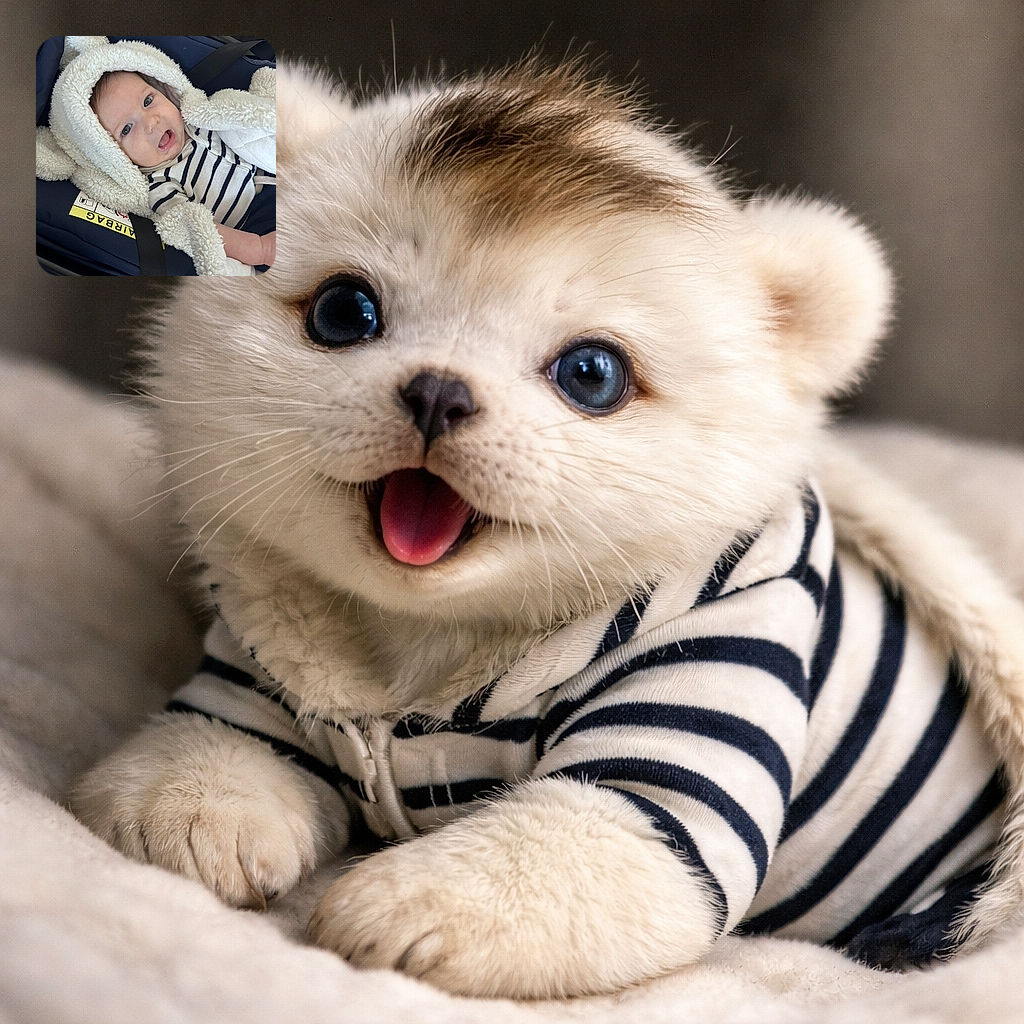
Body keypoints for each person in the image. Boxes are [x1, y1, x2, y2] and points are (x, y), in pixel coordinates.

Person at [90, 70, 275, 268]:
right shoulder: (162, 185)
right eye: (126, 129)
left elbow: (238, 120)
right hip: (250, 229)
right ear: (115, 154)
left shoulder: (197, 121)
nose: (151, 121)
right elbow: (196, 230)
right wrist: (260, 249)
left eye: (148, 101)